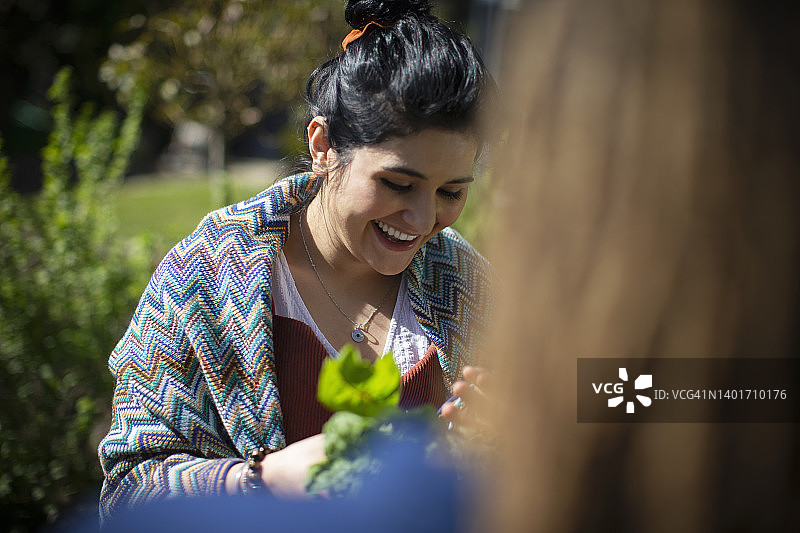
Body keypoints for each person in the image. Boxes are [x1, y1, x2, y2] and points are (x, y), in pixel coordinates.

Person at [97, 0, 495, 520]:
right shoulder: (206, 277)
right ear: (324, 143)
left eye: (451, 192)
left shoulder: (466, 282)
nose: (422, 220)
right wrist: (259, 480)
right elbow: (127, 493)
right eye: (398, 184)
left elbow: (615, 396)